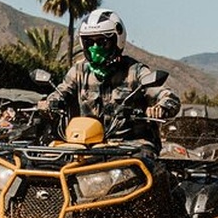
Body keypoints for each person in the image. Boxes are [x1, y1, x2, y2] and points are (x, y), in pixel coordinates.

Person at [39, 8, 180, 156]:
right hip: (86, 144)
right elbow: (62, 91)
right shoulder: (79, 71)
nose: (95, 48)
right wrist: (49, 102)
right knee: (48, 160)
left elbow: (168, 97)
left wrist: (161, 107)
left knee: (141, 165)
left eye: (102, 42)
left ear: (117, 40)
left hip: (131, 146)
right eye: (89, 42)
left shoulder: (135, 72)